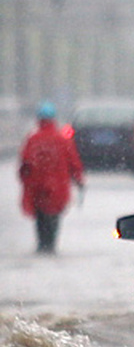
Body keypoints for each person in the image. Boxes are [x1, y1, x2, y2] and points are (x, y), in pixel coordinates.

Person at [17, 102, 85, 255]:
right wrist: (79, 179)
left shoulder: (33, 139)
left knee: (40, 217)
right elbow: (73, 161)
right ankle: (51, 245)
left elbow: (25, 164)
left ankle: (42, 245)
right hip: (58, 187)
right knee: (53, 216)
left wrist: (25, 181)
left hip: (37, 187)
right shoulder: (62, 139)